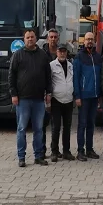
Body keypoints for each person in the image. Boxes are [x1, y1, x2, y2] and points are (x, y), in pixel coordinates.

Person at [8, 29, 52, 168]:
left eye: (32, 37)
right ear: (24, 39)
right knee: (21, 129)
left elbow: (48, 76)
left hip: (39, 99)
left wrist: (49, 93)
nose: (30, 39)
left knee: (38, 129)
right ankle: (21, 157)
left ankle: (38, 156)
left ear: (36, 38)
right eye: (27, 37)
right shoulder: (18, 55)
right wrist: (13, 94)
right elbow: (11, 76)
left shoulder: (43, 55)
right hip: (23, 99)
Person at [73, 31, 102, 161]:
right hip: (83, 97)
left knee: (91, 124)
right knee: (82, 124)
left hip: (94, 96)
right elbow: (76, 78)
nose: (90, 41)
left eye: (91, 39)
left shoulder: (98, 57)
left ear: (94, 41)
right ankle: (80, 151)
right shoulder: (79, 57)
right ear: (83, 41)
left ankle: (90, 149)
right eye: (87, 39)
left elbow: (100, 77)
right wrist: (77, 96)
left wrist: (100, 95)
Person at [49, 43, 75, 162]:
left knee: (67, 127)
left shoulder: (71, 65)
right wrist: (48, 96)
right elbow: (48, 82)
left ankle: (66, 151)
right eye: (60, 51)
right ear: (56, 52)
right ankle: (54, 151)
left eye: (64, 51)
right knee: (56, 127)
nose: (62, 53)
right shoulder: (52, 66)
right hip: (56, 100)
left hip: (69, 100)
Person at [40, 28, 60, 159]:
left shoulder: (62, 52)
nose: (53, 39)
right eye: (51, 37)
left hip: (58, 93)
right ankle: (41, 150)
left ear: (58, 39)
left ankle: (55, 150)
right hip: (44, 92)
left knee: (55, 124)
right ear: (47, 38)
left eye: (55, 37)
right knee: (42, 124)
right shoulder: (41, 53)